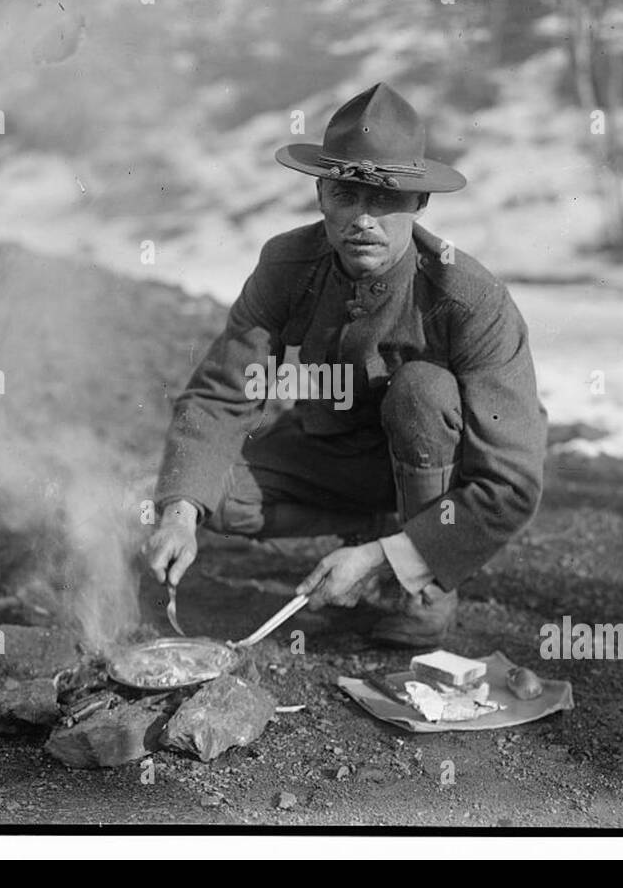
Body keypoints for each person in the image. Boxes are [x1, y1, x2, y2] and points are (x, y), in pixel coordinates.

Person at [143, 82, 547, 647]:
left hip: (439, 478)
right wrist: (179, 514)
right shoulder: (288, 264)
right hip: (335, 460)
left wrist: (390, 558)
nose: (363, 220)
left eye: (385, 200)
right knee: (195, 494)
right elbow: (221, 394)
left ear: (420, 203)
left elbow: (512, 484)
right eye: (346, 195)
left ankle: (421, 591)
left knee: (421, 392)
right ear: (320, 194)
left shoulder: (471, 299)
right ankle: (373, 524)